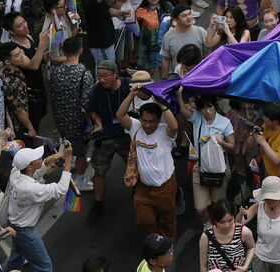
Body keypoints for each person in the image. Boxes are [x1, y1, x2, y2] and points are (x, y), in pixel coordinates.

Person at [116, 84, 179, 239]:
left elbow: (174, 126)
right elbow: (120, 115)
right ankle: (157, 240)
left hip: (165, 189)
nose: (147, 125)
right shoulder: (135, 128)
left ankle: (167, 243)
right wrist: (131, 95)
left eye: (152, 121)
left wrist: (162, 105)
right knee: (144, 220)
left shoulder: (164, 131)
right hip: (143, 189)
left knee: (168, 221)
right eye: (144, 120)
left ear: (158, 121)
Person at [3, 142, 75, 272]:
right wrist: (68, 159)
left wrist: (46, 162)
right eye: (36, 158)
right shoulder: (30, 189)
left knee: (17, 257)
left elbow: (33, 175)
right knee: (44, 266)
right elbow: (61, 189)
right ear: (29, 166)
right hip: (24, 231)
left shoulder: (15, 172)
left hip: (14, 225)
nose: (41, 157)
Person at [84, 59, 131, 224]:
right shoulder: (96, 91)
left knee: (135, 166)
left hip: (127, 136)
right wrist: (98, 124)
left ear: (115, 74)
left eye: (105, 76)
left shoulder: (128, 85)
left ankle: (140, 194)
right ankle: (98, 203)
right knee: (99, 170)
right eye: (99, 76)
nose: (102, 79)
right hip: (106, 136)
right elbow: (92, 110)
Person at [177, 92, 235, 220]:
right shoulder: (197, 117)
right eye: (203, 108)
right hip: (200, 166)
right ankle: (207, 226)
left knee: (218, 205)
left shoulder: (224, 122)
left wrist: (221, 142)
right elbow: (183, 110)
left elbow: (232, 147)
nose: (207, 111)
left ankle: (217, 226)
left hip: (219, 167)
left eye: (210, 107)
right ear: (199, 109)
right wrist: (179, 94)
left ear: (215, 105)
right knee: (200, 208)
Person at [240, 176, 280, 272]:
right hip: (259, 259)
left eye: (273, 197)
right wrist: (240, 214)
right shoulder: (257, 207)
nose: (269, 200)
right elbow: (237, 224)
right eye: (267, 197)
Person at [201, 199, 257, 272]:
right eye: (222, 222)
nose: (227, 225)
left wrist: (245, 266)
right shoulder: (206, 236)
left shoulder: (243, 232)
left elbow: (252, 247)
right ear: (214, 220)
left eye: (230, 220)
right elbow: (203, 265)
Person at [160, 4, 206, 79]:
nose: (189, 17)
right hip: (178, 78)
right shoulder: (168, 36)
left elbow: (207, 55)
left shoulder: (201, 31)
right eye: (184, 16)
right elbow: (166, 58)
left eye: (190, 14)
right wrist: (164, 78)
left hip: (199, 77)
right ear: (176, 20)